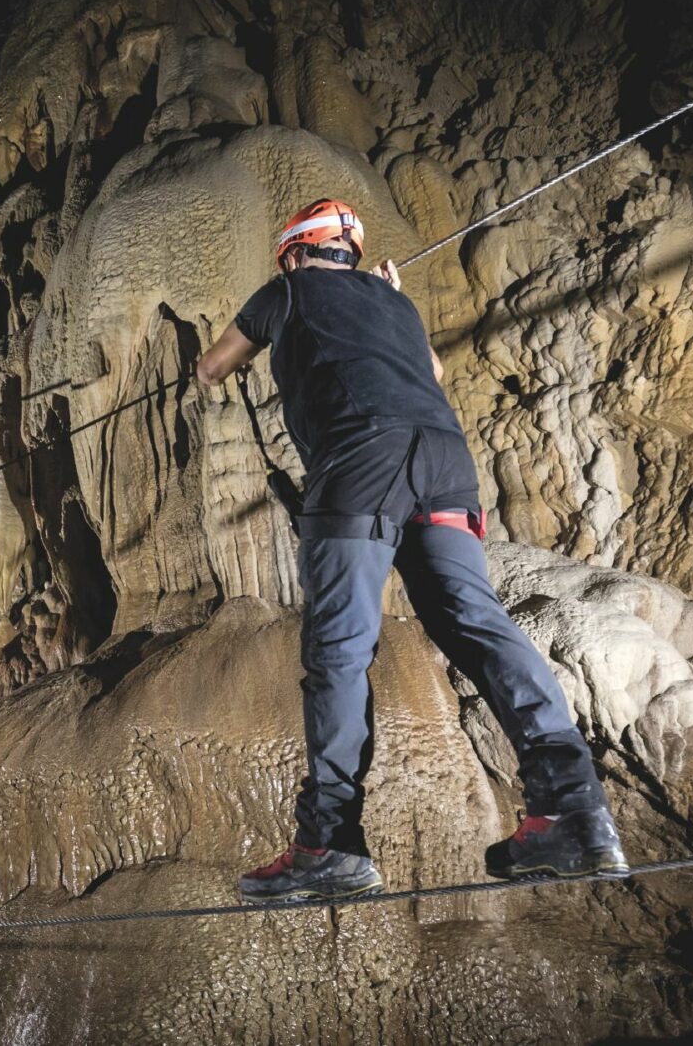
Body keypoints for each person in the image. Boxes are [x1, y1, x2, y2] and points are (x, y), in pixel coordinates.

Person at [195, 199, 627, 903]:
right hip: (445, 464)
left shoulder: (288, 289)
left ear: (294, 253)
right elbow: (430, 370)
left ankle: (329, 842)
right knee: (477, 623)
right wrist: (385, 301)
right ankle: (573, 808)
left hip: (360, 463)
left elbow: (215, 367)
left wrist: (224, 356)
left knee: (340, 652)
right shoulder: (396, 304)